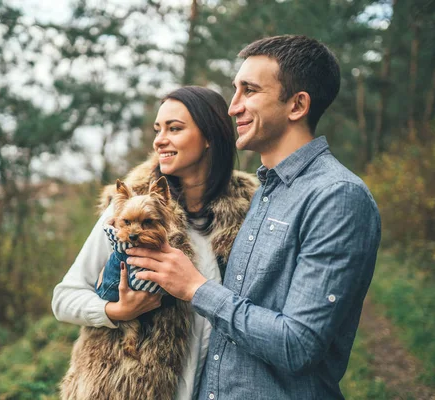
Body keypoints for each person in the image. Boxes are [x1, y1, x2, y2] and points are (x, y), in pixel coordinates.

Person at [126, 35, 382, 399]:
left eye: (249, 91)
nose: (233, 108)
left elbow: (299, 344)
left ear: (297, 105)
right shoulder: (263, 191)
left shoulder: (337, 196)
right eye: (235, 90)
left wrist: (196, 288)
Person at [52, 86, 259, 399]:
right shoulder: (129, 208)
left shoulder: (250, 212)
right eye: (157, 129)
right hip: (124, 388)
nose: (159, 139)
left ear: (209, 137)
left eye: (174, 129)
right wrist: (115, 310)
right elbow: (64, 298)